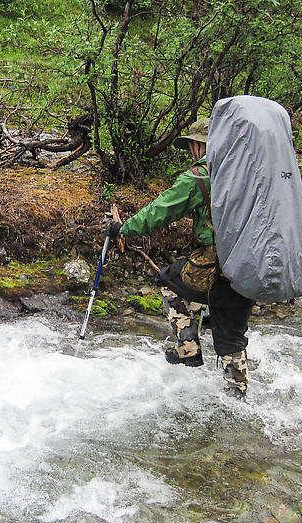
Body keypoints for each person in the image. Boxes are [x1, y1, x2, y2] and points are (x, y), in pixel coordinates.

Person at [102, 118, 254, 398]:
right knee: (232, 335)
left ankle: (188, 351)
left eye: (192, 146)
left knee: (170, 282)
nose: (190, 153)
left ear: (200, 146)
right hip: (251, 264)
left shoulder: (199, 177)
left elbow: (160, 211)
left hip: (216, 263)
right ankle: (237, 397)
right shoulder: (249, 172)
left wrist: (122, 228)